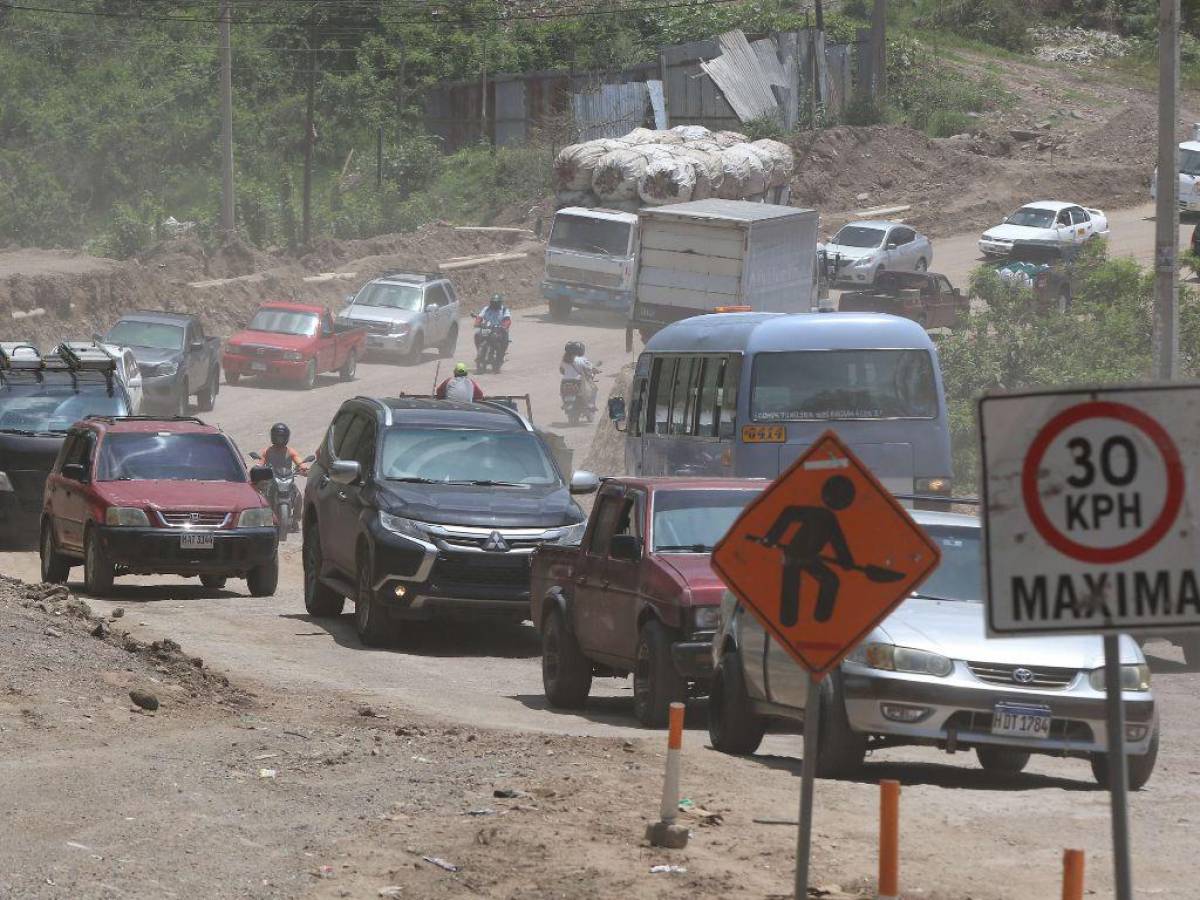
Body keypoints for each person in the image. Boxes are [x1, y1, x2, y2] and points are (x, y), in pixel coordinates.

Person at [559, 340, 598, 410]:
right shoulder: (581, 359)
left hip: (564, 381)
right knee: (594, 389)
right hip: (578, 381)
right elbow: (589, 368)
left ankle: (565, 403)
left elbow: (561, 370)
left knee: (562, 393)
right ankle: (591, 405)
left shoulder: (564, 360)